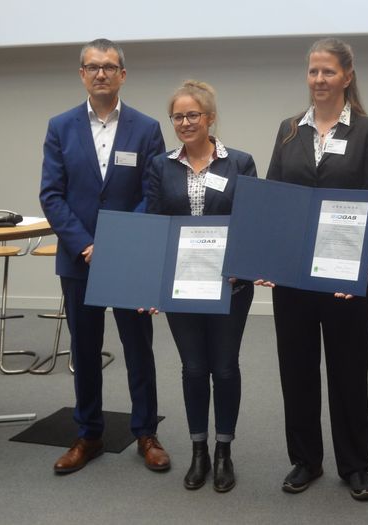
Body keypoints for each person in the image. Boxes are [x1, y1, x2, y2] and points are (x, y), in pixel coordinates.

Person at [262, 37, 368, 501]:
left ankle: (355, 465)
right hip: (293, 279)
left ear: (347, 77)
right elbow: (273, 201)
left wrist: (358, 269)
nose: (318, 80)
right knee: (296, 369)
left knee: (348, 371)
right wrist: (268, 258)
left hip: (343, 280)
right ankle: (305, 460)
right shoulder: (289, 129)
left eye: (328, 72)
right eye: (313, 71)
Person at [40, 38, 170, 474]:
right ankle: (88, 434)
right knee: (86, 347)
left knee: (138, 348)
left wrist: (115, 243)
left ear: (123, 75)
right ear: (81, 74)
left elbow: (153, 192)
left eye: (109, 67)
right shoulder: (60, 126)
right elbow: (52, 195)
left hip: (129, 257)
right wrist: (86, 244)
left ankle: (146, 433)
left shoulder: (147, 128)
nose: (101, 73)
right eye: (93, 67)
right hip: (79, 262)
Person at [144, 80, 256, 492]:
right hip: (181, 288)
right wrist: (150, 287)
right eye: (178, 116)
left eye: (194, 115)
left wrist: (245, 265)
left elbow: (251, 222)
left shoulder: (239, 163)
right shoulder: (161, 166)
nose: (186, 122)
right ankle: (199, 451)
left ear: (210, 118)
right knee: (193, 368)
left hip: (230, 287)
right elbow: (155, 225)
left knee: (224, 368)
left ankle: (224, 450)